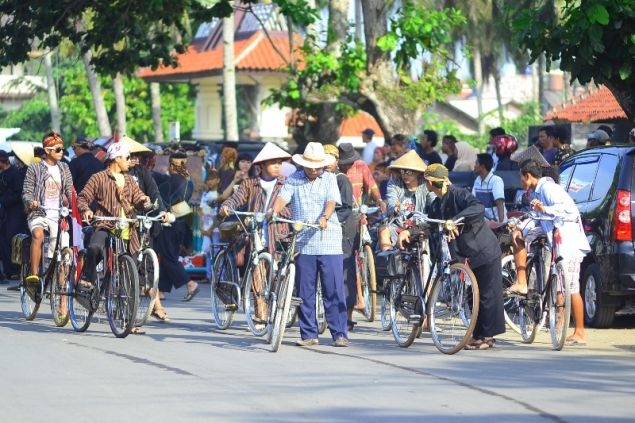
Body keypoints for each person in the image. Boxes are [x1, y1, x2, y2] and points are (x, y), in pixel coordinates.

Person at [397, 163, 505, 350]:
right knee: (473, 296)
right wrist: (410, 232)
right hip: (467, 253)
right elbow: (429, 225)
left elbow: (477, 207)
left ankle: (487, 337)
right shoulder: (437, 204)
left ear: (430, 183)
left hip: (484, 248)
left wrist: (454, 221)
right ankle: (479, 335)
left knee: (488, 294)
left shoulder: (458, 193)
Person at [270, 142, 349, 347]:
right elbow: (282, 199)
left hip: (329, 241)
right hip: (303, 242)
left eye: (317, 166)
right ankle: (309, 334)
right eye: (310, 166)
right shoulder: (294, 179)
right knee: (305, 291)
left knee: (333, 289)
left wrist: (325, 216)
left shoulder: (330, 179)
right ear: (303, 164)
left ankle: (339, 333)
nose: (314, 170)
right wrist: (274, 212)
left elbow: (331, 202)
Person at [506, 159, 590, 345]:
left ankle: (579, 332)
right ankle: (522, 281)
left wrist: (544, 208)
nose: (520, 181)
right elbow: (539, 218)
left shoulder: (548, 189)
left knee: (572, 288)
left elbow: (569, 209)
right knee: (517, 234)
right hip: (554, 237)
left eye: (521, 177)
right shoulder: (535, 192)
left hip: (568, 240)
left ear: (527, 176)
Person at [218, 142, 292, 327]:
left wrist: (278, 213)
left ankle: (279, 307)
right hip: (256, 235)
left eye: (279, 162)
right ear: (262, 165)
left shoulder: (287, 184)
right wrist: (227, 206)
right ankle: (261, 312)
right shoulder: (250, 184)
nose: (277, 166)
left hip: (279, 235)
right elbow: (236, 198)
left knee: (277, 274)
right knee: (257, 270)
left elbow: (294, 207)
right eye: (273, 162)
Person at [22, 132, 74, 287]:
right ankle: (34, 275)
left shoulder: (64, 168)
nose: (61, 153)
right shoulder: (35, 168)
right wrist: (31, 202)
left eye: (62, 149)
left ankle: (62, 288)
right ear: (47, 151)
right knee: (37, 235)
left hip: (58, 215)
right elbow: (26, 191)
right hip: (38, 212)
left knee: (64, 247)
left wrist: (78, 207)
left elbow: (70, 190)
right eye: (58, 150)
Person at [153, 152, 200, 302]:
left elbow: (168, 202)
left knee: (167, 258)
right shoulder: (189, 182)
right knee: (169, 256)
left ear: (172, 165)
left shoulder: (171, 181)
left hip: (170, 223)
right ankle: (161, 290)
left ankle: (190, 284)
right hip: (182, 224)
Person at [323, 145, 358, 331]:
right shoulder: (321, 178)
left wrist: (328, 218)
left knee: (345, 273)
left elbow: (345, 209)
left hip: (343, 231)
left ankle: (347, 316)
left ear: (337, 161)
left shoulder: (341, 180)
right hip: (324, 229)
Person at [377, 150, 431, 251]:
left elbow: (433, 203)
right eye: (402, 171)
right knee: (383, 231)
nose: (405, 175)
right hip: (398, 225)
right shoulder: (394, 184)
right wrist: (395, 207)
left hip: (419, 226)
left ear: (418, 173)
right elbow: (391, 201)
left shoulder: (426, 186)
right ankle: (390, 263)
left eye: (409, 172)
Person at [0, 150, 28, 281]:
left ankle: (16, 269)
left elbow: (19, 193)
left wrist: (5, 200)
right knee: (5, 241)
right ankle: (8, 269)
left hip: (15, 213)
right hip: (5, 213)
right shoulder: (3, 174)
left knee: (13, 240)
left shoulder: (15, 174)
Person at [337, 143, 385, 212]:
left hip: (359, 212)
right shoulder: (334, 170)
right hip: (340, 213)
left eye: (350, 163)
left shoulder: (361, 166)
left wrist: (379, 200)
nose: (347, 167)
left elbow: (371, 185)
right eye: (344, 164)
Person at [472, 153, 507, 222]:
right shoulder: (477, 180)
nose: (474, 166)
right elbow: (472, 201)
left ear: (482, 166)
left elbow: (500, 203)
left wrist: (500, 224)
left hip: (496, 224)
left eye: (476, 163)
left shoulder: (496, 180)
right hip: (483, 223)